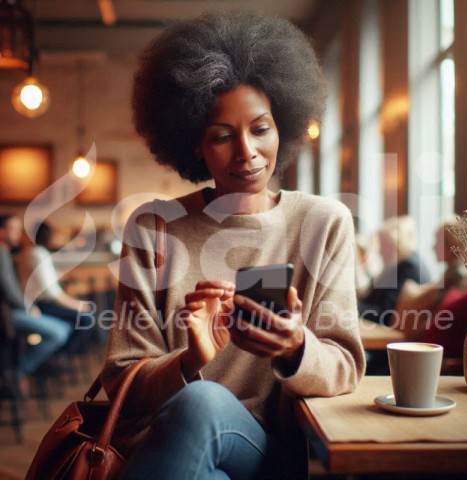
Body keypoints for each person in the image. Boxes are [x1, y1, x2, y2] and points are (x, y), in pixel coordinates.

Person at [101, 11, 365, 480]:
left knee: (204, 401)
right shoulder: (156, 226)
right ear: (194, 146)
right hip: (165, 447)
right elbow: (122, 381)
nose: (246, 151)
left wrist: (295, 346)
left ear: (284, 124)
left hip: (266, 450)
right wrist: (190, 360)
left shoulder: (323, 223)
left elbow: (345, 367)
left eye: (260, 129)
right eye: (222, 136)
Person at [0, 214, 72, 378]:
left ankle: (27, 368)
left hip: (13, 310)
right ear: (1, 233)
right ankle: (17, 372)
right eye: (14, 230)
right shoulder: (1, 254)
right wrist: (29, 307)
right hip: (7, 316)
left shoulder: (7, 254)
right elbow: (9, 291)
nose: (19, 234)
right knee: (59, 332)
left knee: (66, 328)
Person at [17, 220, 92, 353]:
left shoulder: (30, 252)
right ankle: (61, 356)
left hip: (37, 302)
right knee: (87, 318)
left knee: (82, 318)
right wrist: (77, 304)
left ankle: (60, 356)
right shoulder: (38, 253)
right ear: (47, 236)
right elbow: (52, 293)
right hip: (39, 304)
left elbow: (43, 280)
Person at [358, 215, 431, 326]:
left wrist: (351, 308)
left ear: (396, 244)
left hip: (391, 333)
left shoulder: (408, 268)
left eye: (384, 245)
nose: (380, 251)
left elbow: (387, 313)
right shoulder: (395, 266)